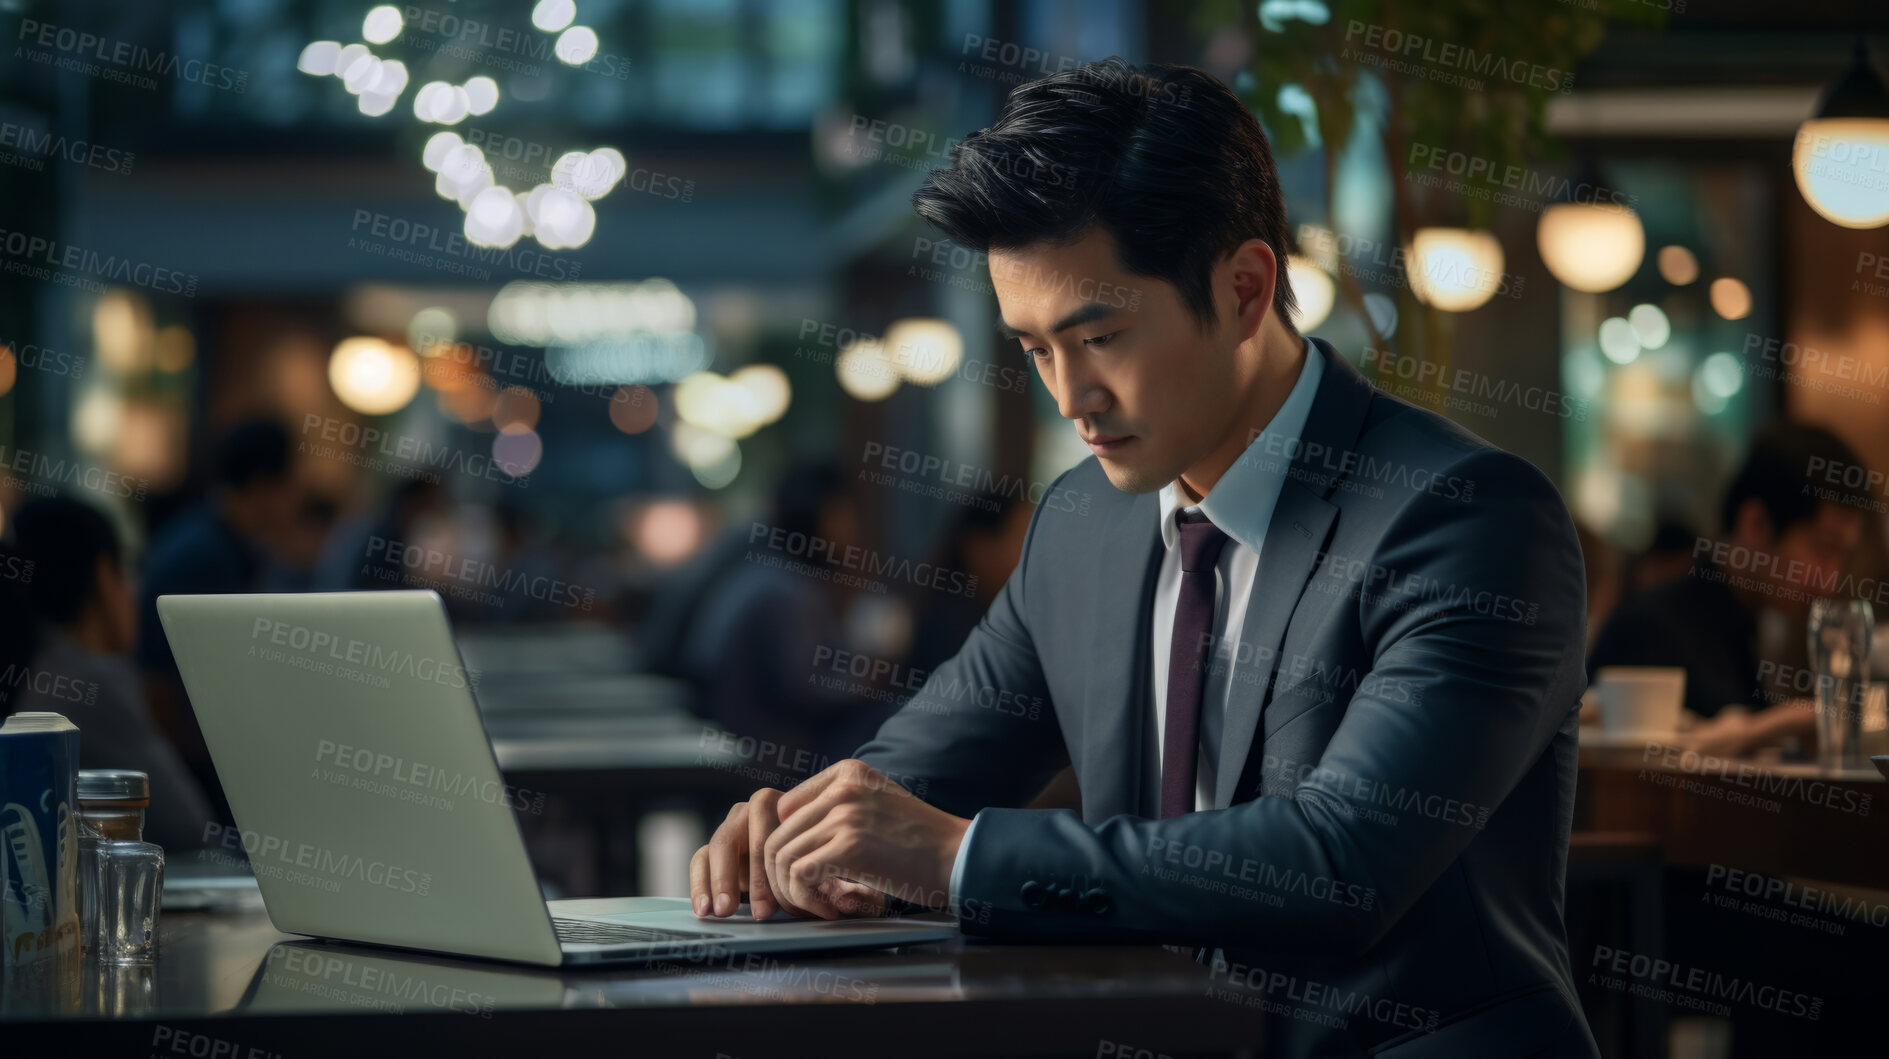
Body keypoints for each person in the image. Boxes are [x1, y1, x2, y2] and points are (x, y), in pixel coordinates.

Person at [691, 59, 1595, 1057]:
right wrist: (803, 829)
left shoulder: (1464, 519)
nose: (1069, 397)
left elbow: (1340, 864)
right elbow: (920, 775)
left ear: (1245, 289)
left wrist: (955, 856)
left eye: (1100, 337)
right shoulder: (1083, 523)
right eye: (1034, 350)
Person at [1588, 423, 1871, 757]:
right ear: (1754, 524)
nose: (1831, 580)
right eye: (1823, 550)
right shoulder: (1650, 629)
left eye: (1842, 557)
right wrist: (1783, 725)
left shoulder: (1764, 629)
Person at [10, 497, 216, 850]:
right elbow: (189, 823)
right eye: (129, 570)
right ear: (105, 576)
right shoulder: (90, 680)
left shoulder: (38, 667)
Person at [136, 417, 298, 817]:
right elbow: (161, 683)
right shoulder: (207, 556)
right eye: (290, 486)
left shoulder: (214, 540)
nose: (294, 502)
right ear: (264, 486)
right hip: (192, 769)